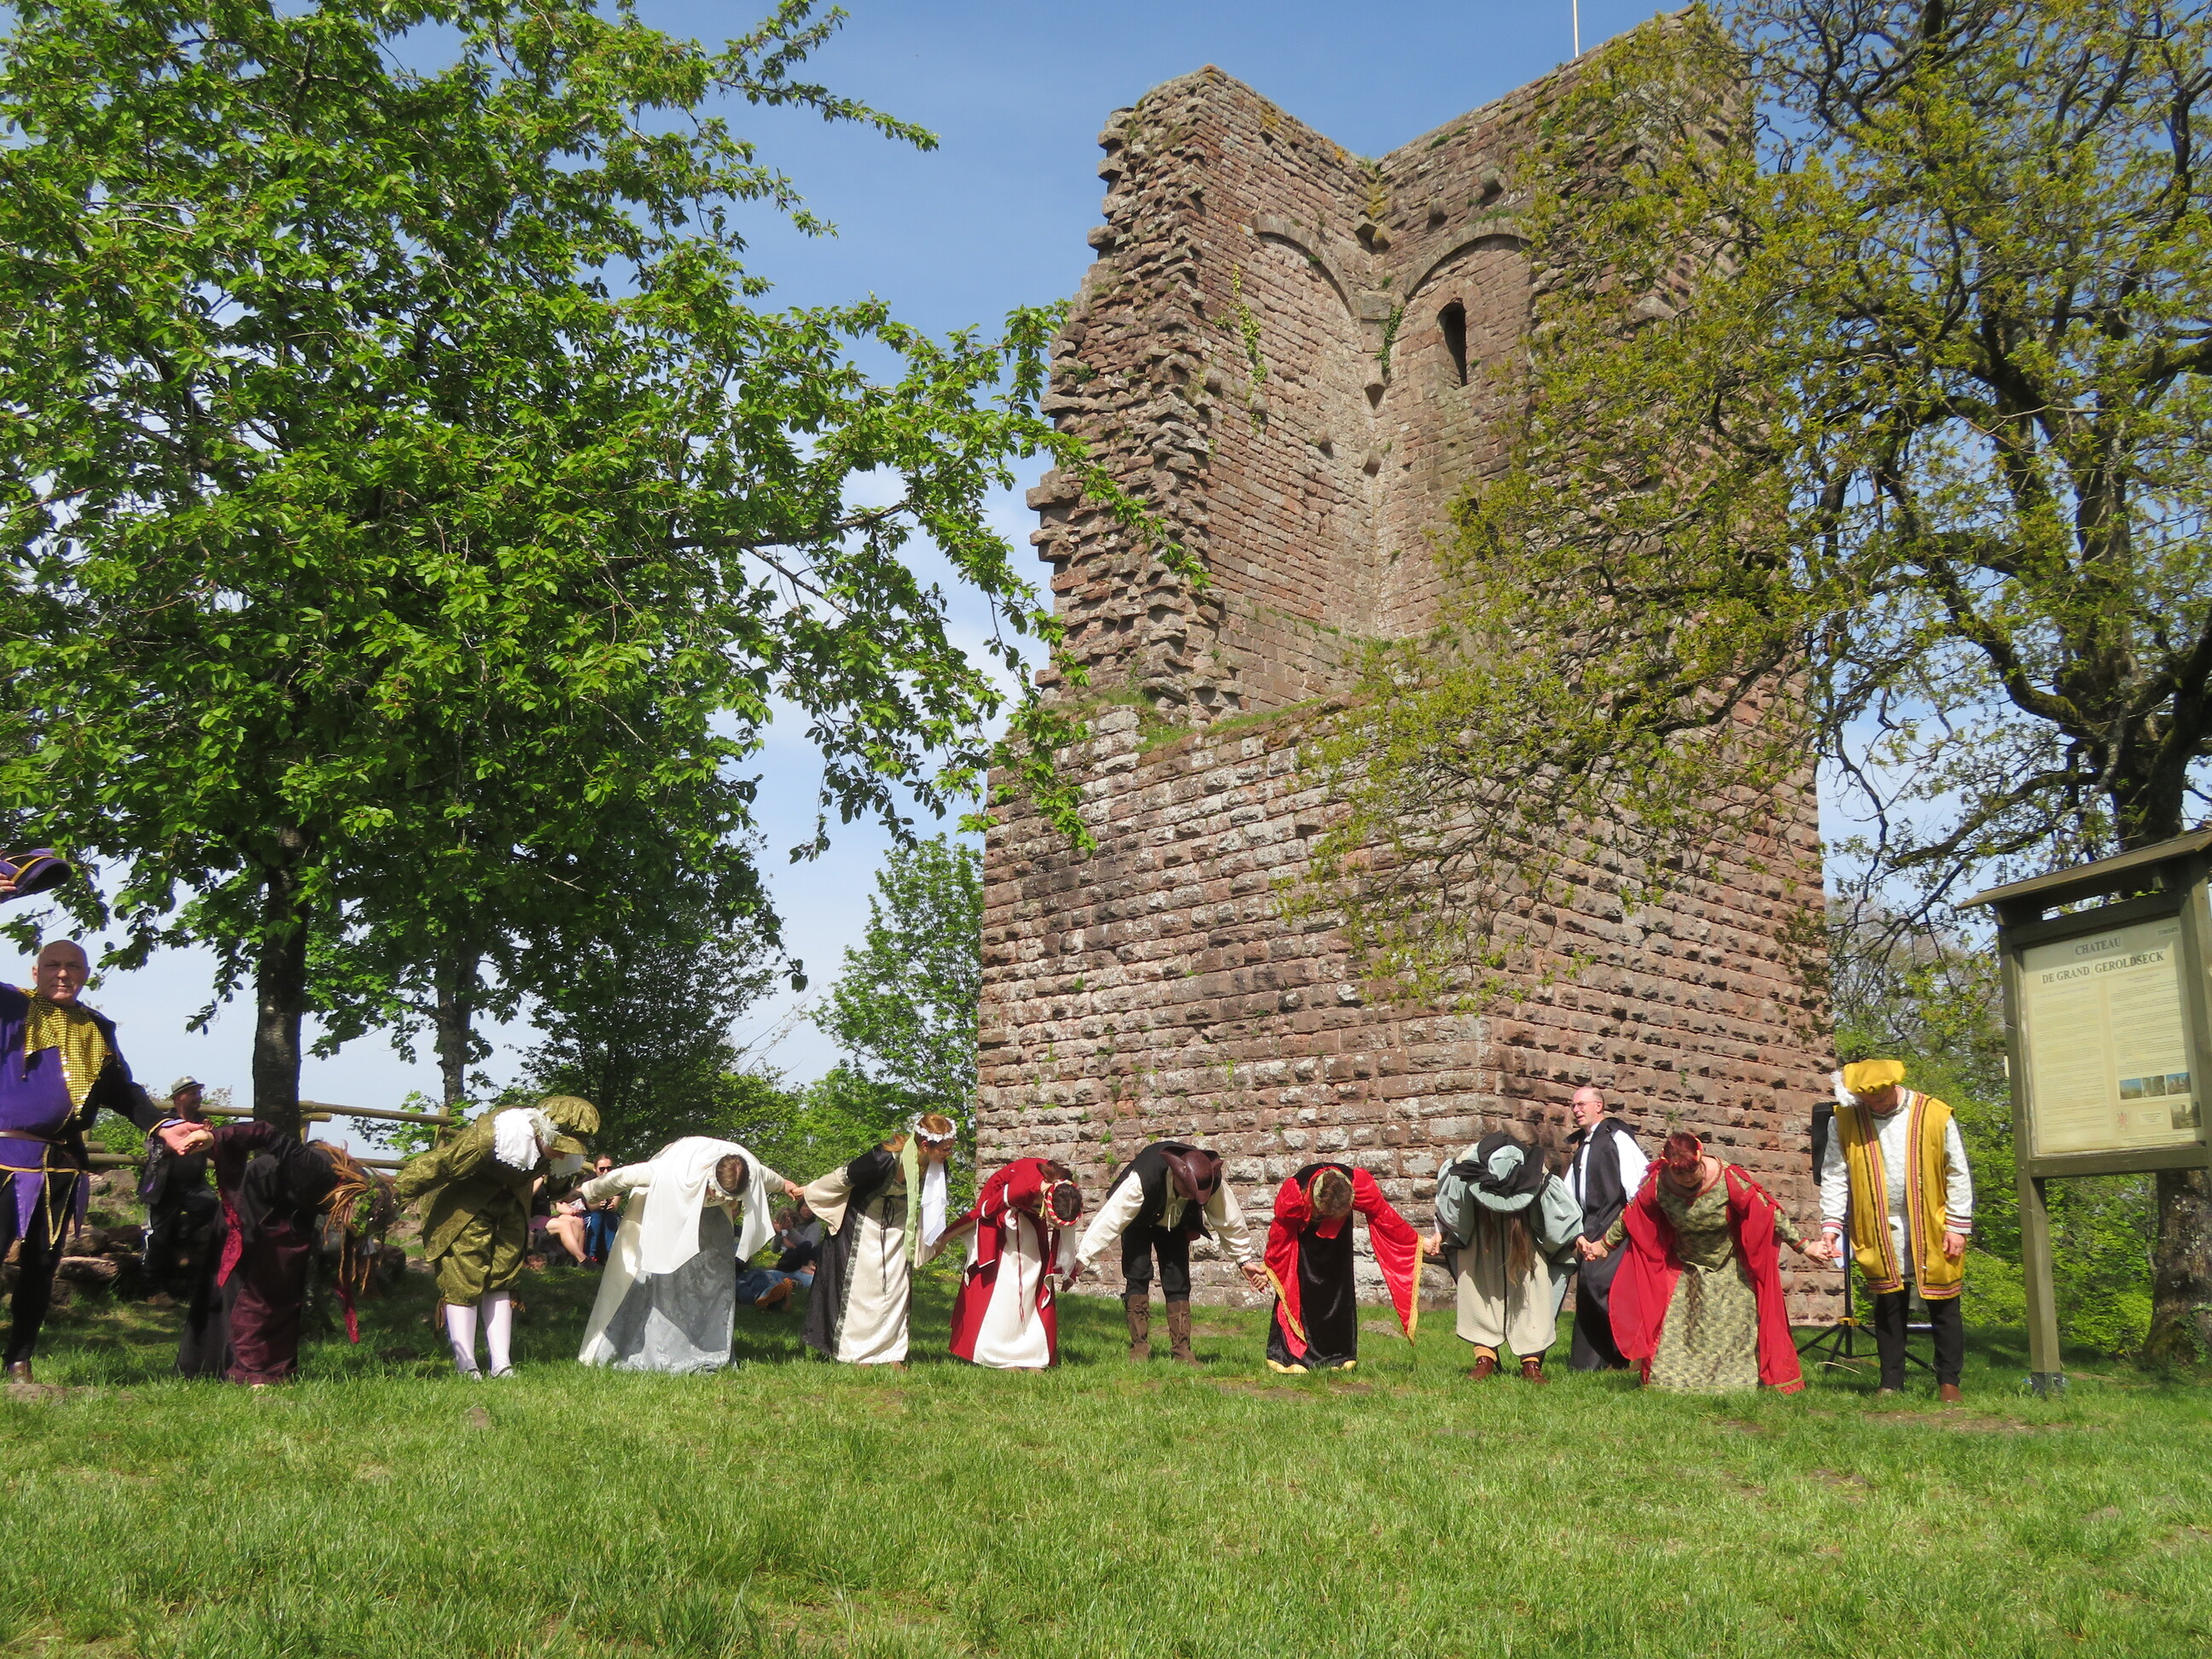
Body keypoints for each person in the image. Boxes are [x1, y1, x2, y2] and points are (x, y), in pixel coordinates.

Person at [0, 940, 160, 1382]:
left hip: (62, 1165)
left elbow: (121, 1089)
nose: (63, 973)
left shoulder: (96, 1027)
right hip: (5, 1157)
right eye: (52, 964)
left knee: (41, 1267)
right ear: (35, 972)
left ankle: (20, 1360)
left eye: (73, 966)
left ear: (86, 974)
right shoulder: (10, 1007)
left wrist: (161, 1125)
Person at [393, 1093, 599, 1378]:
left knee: (503, 1278)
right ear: (541, 1129)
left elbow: (556, 1188)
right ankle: (466, 1364)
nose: (563, 1154)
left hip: (511, 1208)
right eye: (559, 1145)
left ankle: (501, 1363)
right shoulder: (495, 1134)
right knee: (465, 1278)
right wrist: (394, 1196)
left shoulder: (561, 1153)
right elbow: (441, 1164)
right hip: (466, 1206)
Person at [173, 1121, 396, 1384]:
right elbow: (265, 1131)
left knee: (287, 1294)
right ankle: (251, 1373)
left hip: (287, 1214)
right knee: (254, 1294)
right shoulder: (315, 1169)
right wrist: (213, 1137)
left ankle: (277, 1370)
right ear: (349, 1200)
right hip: (253, 1207)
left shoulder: (356, 1186)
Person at [1592, 1131, 1809, 1394]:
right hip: (1684, 1268)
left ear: (1700, 1155)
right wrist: (1604, 1245)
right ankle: (1675, 1382)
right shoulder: (1659, 1184)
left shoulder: (1727, 1178)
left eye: (1691, 1171)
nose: (1686, 1178)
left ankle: (1735, 1385)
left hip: (1729, 1267)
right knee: (1679, 1332)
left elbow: (1768, 1212)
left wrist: (1805, 1246)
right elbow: (1633, 1215)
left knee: (1732, 1331)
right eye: (1679, 1174)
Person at [1816, 1057, 1974, 1401]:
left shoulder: (1934, 1114)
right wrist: (1831, 1223)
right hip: (1877, 1225)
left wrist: (1957, 1226)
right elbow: (1835, 1174)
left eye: (1882, 1096)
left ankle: (1949, 1381)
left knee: (1944, 1303)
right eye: (1868, 1099)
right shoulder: (1844, 1120)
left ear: (1894, 1085)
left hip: (1932, 1223)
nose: (1877, 1104)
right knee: (1888, 1303)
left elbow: (1957, 1171)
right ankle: (1890, 1381)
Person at [573, 1138, 794, 1372]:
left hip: (713, 1219)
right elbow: (624, 1177)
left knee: (713, 1279)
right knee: (664, 1277)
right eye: (718, 1194)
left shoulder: (747, 1170)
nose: (722, 1199)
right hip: (667, 1205)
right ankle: (655, 1342)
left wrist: (785, 1185)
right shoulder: (674, 1170)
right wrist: (585, 1191)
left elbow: (766, 1176)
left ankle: (707, 1344)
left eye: (729, 1198)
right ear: (710, 1179)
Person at [1068, 1139, 1269, 1364]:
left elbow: (1229, 1221)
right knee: (1137, 1274)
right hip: (1138, 1220)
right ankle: (1139, 1348)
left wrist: (1243, 1260)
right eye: (1188, 1190)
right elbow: (1111, 1219)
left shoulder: (1208, 1179)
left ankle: (1182, 1351)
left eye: (1196, 1193)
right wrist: (1083, 1258)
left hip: (1177, 1225)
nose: (1192, 1197)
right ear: (1176, 1175)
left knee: (1178, 1281)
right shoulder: (1142, 1180)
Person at [800, 1113, 958, 1367]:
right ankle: (858, 1353)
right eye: (946, 1149)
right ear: (925, 1145)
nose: (949, 1154)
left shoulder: (937, 1167)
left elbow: (931, 1208)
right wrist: (809, 1191)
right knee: (862, 1289)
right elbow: (842, 1177)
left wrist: (930, 1240)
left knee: (895, 1288)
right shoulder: (883, 1158)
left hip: (898, 1228)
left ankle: (891, 1353)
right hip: (861, 1225)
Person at [1430, 1132, 1582, 1383]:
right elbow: (1452, 1209)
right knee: (1480, 1292)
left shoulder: (1537, 1173)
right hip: (1482, 1238)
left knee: (1532, 1296)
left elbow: (1558, 1219)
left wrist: (1572, 1239)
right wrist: (1441, 1232)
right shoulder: (1465, 1164)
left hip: (1525, 1239)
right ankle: (1485, 1359)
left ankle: (1531, 1364)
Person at [1262, 1161, 1423, 1374]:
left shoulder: (1358, 1184)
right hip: (1304, 1245)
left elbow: (1386, 1218)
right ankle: (1293, 1357)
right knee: (1304, 1294)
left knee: (1337, 1295)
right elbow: (1281, 1232)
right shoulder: (1296, 1192)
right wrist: (1270, 1266)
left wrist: (1415, 1241)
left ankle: (1337, 1355)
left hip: (1337, 1245)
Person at [945, 1157, 1085, 1370]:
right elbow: (984, 1211)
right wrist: (945, 1237)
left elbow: (1065, 1229)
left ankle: (1032, 1353)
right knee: (1007, 1283)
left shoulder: (1064, 1189)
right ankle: (1000, 1353)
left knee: (1032, 1280)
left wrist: (1069, 1270)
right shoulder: (1021, 1188)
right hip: (1000, 1218)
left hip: (1031, 1219)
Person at [1565, 1086, 1648, 1371]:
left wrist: (1628, 1227)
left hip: (1615, 1224)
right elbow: (1568, 1192)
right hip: (1589, 1226)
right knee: (1588, 1289)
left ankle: (1630, 1352)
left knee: (1602, 1286)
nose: (1576, 1110)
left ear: (1598, 1106)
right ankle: (1590, 1363)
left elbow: (1639, 1184)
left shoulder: (1617, 1138)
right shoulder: (1583, 1145)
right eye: (1573, 1106)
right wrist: (1576, 1232)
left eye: (1581, 1104)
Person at [138, 1075, 219, 1297]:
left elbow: (214, 1154)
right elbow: (154, 1151)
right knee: (157, 1237)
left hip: (194, 1186)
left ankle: (179, 1240)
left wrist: (209, 1139)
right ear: (178, 1098)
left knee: (211, 1207)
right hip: (163, 1187)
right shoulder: (164, 1123)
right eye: (192, 1093)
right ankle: (153, 1291)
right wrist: (184, 1139)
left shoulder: (204, 1122)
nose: (198, 1097)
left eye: (199, 1093)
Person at [736, 1206, 821, 1312]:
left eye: (811, 1207)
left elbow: (809, 1245)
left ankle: (774, 1296)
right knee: (761, 1275)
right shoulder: (784, 1229)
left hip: (801, 1268)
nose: (808, 1210)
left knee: (814, 1282)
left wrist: (790, 1231)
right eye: (805, 1206)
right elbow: (774, 1249)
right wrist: (778, 1233)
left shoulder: (814, 1226)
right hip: (785, 1267)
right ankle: (776, 1295)